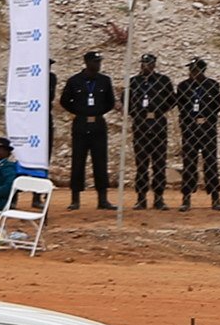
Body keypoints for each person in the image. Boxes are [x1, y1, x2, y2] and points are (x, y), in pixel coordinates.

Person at [60, 49, 117, 210]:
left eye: (99, 62)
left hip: (98, 124)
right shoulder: (75, 81)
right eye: (95, 62)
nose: (98, 65)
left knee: (100, 161)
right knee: (78, 161)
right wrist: (80, 111)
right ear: (86, 63)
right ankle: (75, 199)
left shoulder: (104, 81)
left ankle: (103, 199)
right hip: (81, 124)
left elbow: (110, 102)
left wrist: (97, 111)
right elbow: (64, 101)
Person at [126, 53, 177, 210]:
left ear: (154, 65)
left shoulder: (163, 81)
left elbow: (172, 100)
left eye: (149, 63)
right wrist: (135, 113)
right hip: (141, 124)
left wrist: (160, 111)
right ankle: (141, 198)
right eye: (143, 63)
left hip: (157, 124)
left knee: (159, 163)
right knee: (141, 164)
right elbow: (125, 99)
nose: (145, 66)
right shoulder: (134, 82)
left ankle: (159, 198)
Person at [173, 57, 220, 209]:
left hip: (207, 129)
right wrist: (189, 120)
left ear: (202, 70)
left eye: (195, 70)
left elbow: (217, 106)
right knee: (189, 163)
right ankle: (186, 197)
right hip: (190, 129)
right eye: (191, 70)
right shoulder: (184, 86)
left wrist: (206, 118)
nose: (192, 73)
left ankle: (215, 197)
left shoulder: (212, 85)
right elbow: (181, 106)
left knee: (210, 162)